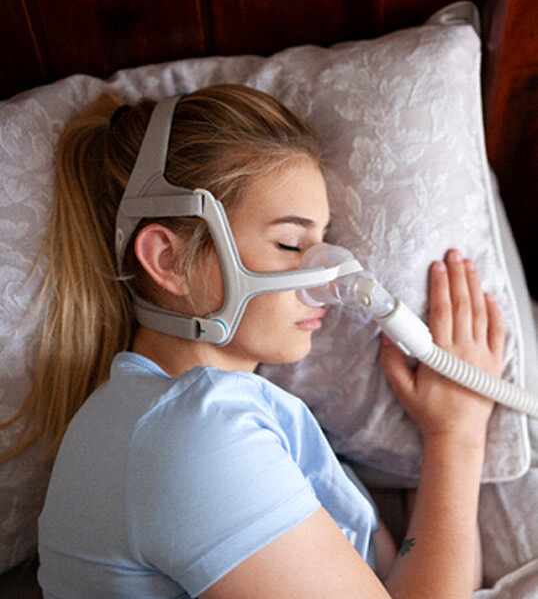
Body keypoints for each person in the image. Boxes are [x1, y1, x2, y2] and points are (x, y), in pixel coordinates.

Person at [33, 85, 504, 598]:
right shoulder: (194, 435)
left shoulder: (225, 421)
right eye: (289, 243)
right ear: (168, 261)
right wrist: (456, 439)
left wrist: (448, 434)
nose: (327, 276)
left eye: (322, 244)